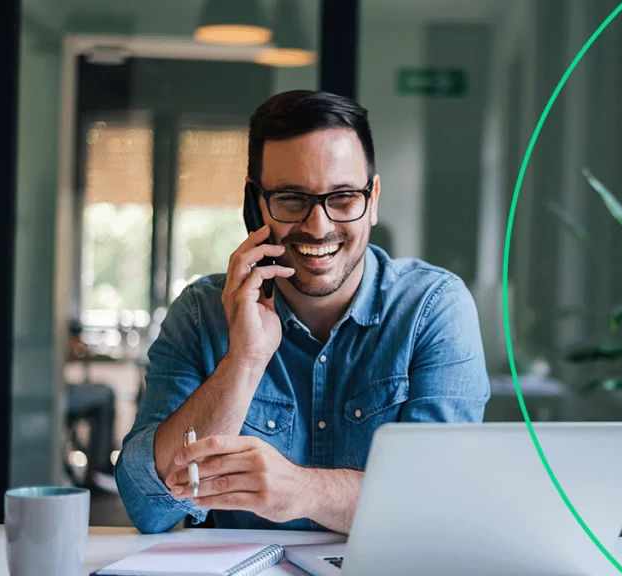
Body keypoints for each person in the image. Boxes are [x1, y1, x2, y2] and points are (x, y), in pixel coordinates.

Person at [114, 90, 491, 534]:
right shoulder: (201, 313)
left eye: (344, 197)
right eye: (292, 199)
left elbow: (440, 506)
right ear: (256, 204)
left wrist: (301, 490)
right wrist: (245, 361)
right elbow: (148, 507)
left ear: (373, 198)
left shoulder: (433, 309)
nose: (318, 226)